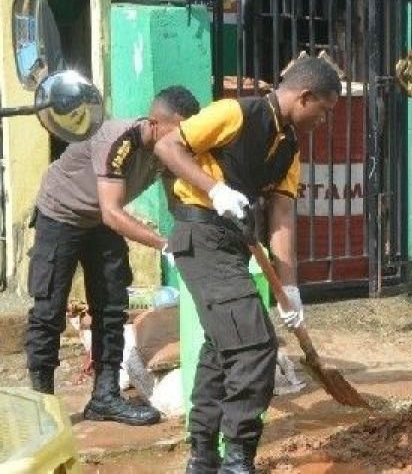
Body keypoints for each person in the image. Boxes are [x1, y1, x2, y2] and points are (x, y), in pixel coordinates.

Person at [155, 55, 341, 474]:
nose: (324, 122)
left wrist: (290, 289)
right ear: (305, 96)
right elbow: (169, 146)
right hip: (200, 235)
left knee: (223, 346)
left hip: (232, 245)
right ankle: (237, 460)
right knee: (255, 346)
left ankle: (203, 457)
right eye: (324, 111)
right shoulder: (235, 112)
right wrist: (215, 189)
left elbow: (282, 216)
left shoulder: (288, 148)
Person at [24, 85, 201, 425]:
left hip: (101, 218)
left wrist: (194, 235)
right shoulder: (119, 138)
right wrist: (164, 244)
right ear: (153, 122)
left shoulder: (169, 148)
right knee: (49, 308)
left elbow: (176, 201)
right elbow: (113, 213)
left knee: (111, 305)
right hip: (63, 212)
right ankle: (41, 408)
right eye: (178, 129)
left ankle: (104, 397)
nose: (183, 138)